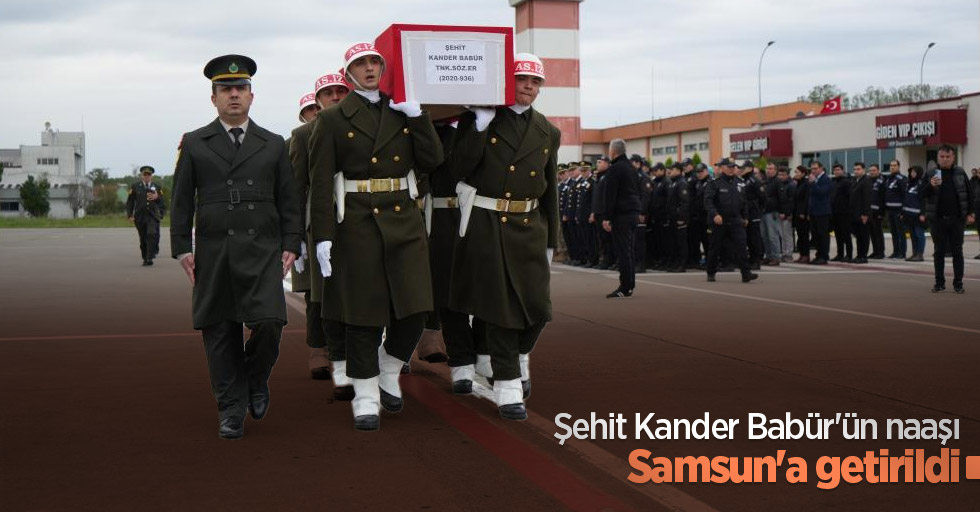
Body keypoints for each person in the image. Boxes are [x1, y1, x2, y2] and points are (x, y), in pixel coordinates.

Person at [308, 42, 444, 431]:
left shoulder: (402, 110)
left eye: (374, 62)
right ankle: (366, 393)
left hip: (404, 216)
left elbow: (433, 161)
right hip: (357, 221)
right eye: (361, 64)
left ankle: (389, 363)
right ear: (348, 72)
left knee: (417, 306)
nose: (369, 69)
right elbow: (320, 183)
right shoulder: (332, 120)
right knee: (363, 314)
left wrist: (418, 117)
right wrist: (323, 236)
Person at [170, 55, 302, 439]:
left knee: (270, 321)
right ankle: (230, 407)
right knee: (219, 329)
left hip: (262, 248)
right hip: (214, 249)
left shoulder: (273, 144)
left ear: (251, 96)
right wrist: (181, 247)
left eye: (240, 88)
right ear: (213, 99)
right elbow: (180, 202)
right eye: (225, 89)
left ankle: (256, 377)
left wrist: (291, 243)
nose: (233, 95)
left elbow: (288, 200)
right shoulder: (195, 143)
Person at [448, 53, 560, 420]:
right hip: (487, 221)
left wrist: (550, 240)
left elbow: (550, 190)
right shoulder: (479, 118)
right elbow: (458, 168)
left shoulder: (548, 130)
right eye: (522, 79)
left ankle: (516, 355)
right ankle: (508, 383)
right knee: (500, 308)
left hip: (529, 225)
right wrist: (479, 128)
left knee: (539, 309)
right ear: (506, 81)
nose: (529, 87)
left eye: (535, 82)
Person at [291, 72, 354, 389]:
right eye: (328, 93)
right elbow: (295, 188)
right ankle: (320, 351)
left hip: (358, 223)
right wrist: (295, 236)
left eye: (341, 91)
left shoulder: (362, 126)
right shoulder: (302, 136)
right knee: (319, 295)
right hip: (318, 225)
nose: (335, 97)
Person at [920, 145, 976, 293]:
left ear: (953, 158)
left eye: (948, 157)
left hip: (957, 219)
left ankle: (958, 283)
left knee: (957, 251)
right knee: (939, 252)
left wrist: (971, 212)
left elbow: (969, 194)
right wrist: (930, 185)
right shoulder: (931, 173)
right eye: (942, 157)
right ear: (938, 157)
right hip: (937, 220)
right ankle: (939, 282)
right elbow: (920, 193)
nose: (944, 160)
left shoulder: (960, 172)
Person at [704, 158, 757, 283]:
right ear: (722, 168)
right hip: (719, 221)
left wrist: (745, 217)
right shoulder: (714, 182)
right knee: (715, 248)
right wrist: (715, 215)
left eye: (733, 167)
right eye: (728, 167)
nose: (732, 169)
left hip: (735, 220)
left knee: (741, 246)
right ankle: (711, 272)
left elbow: (744, 202)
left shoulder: (739, 182)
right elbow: (708, 201)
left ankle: (746, 273)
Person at [601, 139, 641, 297]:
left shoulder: (615, 169)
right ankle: (630, 284)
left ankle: (625, 286)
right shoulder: (632, 168)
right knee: (629, 249)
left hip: (621, 214)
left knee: (623, 250)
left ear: (613, 152)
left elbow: (610, 195)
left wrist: (607, 217)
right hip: (633, 212)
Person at [126, 165, 165, 266]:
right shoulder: (135, 186)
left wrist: (157, 197)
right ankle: (145, 257)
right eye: (145, 174)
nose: (147, 176)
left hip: (152, 215)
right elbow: (130, 202)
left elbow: (162, 202)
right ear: (142, 175)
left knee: (151, 234)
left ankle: (149, 257)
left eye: (149, 174)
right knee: (143, 238)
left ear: (151, 176)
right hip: (140, 216)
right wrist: (130, 214)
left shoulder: (157, 187)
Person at [737, 161, 765, 270]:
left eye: (744, 167)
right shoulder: (743, 180)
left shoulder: (754, 180)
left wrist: (759, 210)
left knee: (754, 238)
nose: (741, 169)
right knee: (748, 238)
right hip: (746, 213)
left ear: (750, 168)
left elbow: (762, 197)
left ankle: (756, 260)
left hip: (754, 213)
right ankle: (751, 259)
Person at [665, 162, 690, 272]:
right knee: (673, 242)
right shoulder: (673, 182)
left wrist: (681, 218)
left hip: (679, 218)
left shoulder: (682, 183)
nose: (671, 171)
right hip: (672, 217)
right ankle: (675, 263)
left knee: (681, 243)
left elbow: (685, 202)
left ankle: (682, 264)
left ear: (679, 171)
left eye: (673, 169)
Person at [807, 161, 832, 265]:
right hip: (814, 211)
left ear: (821, 168)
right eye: (812, 169)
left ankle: (824, 256)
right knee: (815, 235)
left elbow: (822, 193)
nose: (813, 171)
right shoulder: (814, 179)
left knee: (823, 235)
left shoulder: (826, 179)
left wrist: (813, 183)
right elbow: (811, 196)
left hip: (822, 212)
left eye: (815, 168)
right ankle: (819, 255)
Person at [631, 155, 653, 272]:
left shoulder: (643, 177)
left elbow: (645, 197)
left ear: (638, 163)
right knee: (633, 240)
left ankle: (641, 264)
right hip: (632, 212)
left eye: (632, 163)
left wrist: (642, 212)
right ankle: (635, 263)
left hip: (640, 213)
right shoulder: (633, 176)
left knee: (639, 240)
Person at [760, 162, 784, 266]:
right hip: (764, 211)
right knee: (764, 236)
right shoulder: (765, 181)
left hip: (773, 212)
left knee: (773, 236)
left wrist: (783, 211)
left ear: (775, 170)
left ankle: (776, 257)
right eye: (767, 168)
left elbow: (782, 197)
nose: (768, 170)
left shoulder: (778, 182)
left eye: (771, 168)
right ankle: (768, 256)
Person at [902, 165, 927, 262]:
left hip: (918, 215)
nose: (912, 174)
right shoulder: (909, 183)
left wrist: (923, 214)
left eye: (914, 172)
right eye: (911, 172)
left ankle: (920, 254)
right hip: (909, 214)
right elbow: (905, 199)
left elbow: (924, 200)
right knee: (912, 235)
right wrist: (903, 212)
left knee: (919, 235)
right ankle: (914, 253)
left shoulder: (921, 184)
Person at [884, 160, 908, 259]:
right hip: (890, 210)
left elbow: (905, 195)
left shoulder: (902, 179)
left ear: (899, 167)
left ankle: (902, 253)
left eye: (894, 165)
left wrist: (903, 211)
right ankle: (895, 251)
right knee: (893, 232)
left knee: (900, 233)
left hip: (898, 210)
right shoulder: (889, 179)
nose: (892, 167)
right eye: (891, 165)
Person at [849, 162, 872, 264]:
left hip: (863, 214)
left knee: (864, 236)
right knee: (858, 236)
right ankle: (859, 255)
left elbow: (867, 199)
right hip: (855, 213)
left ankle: (863, 256)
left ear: (863, 170)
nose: (856, 171)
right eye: (855, 169)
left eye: (858, 169)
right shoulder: (855, 181)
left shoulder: (866, 181)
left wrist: (865, 214)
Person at [830, 163, 852, 262]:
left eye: (838, 170)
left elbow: (850, 197)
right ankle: (840, 254)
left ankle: (849, 254)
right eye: (835, 170)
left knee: (846, 235)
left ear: (843, 171)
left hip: (845, 213)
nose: (836, 172)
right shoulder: (833, 182)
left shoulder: (847, 182)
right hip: (835, 213)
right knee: (838, 235)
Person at [792, 165, 810, 263]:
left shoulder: (806, 184)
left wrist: (804, 212)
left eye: (797, 172)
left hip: (802, 213)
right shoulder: (798, 183)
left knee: (804, 236)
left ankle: (806, 255)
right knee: (800, 235)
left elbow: (806, 199)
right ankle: (802, 254)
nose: (795, 174)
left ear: (803, 173)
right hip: (797, 213)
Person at [777, 166, 796, 262]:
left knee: (787, 235)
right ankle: (784, 253)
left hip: (786, 214)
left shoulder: (791, 185)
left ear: (787, 175)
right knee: (782, 235)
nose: (780, 176)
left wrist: (788, 213)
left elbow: (791, 201)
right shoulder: (780, 184)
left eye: (783, 174)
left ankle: (789, 254)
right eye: (779, 174)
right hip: (780, 213)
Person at [868, 164, 887, 259]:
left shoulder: (882, 181)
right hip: (870, 212)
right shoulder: (869, 181)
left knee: (878, 233)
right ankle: (875, 251)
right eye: (870, 170)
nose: (872, 172)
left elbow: (883, 198)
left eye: (874, 170)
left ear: (878, 171)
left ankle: (880, 252)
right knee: (872, 233)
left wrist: (881, 213)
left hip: (878, 212)